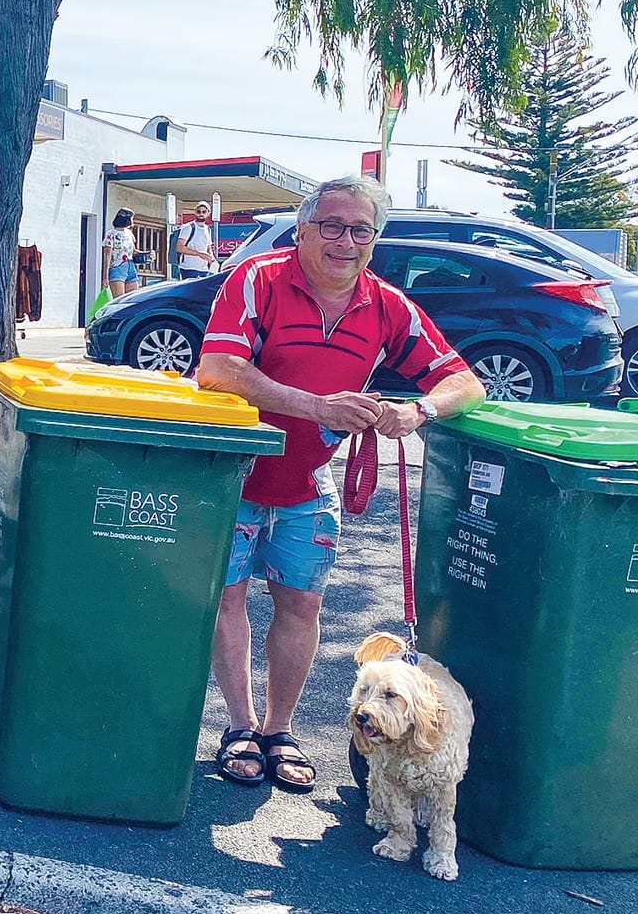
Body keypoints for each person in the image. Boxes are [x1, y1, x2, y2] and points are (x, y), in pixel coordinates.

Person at [196, 176, 486, 793]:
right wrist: (316, 407)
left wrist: (418, 412)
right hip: (231, 479)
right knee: (226, 600)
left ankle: (278, 731)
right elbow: (218, 369)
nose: (344, 241)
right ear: (302, 230)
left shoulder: (385, 306)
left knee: (301, 604)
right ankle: (240, 728)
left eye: (361, 230)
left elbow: (464, 382)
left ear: (374, 242)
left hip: (306, 480)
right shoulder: (259, 281)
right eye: (330, 225)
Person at [102, 208, 138, 299]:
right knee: (119, 300)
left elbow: (133, 251)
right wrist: (105, 276)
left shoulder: (129, 233)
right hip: (117, 266)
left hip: (130, 266)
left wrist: (147, 255)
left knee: (132, 299)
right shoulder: (111, 234)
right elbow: (107, 255)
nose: (132, 221)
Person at [176, 200, 218, 278]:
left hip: (204, 270)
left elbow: (208, 248)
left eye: (204, 212)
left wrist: (211, 259)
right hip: (188, 268)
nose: (201, 214)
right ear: (195, 212)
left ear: (208, 213)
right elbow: (180, 247)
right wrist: (199, 254)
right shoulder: (188, 227)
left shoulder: (208, 229)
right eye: (199, 211)